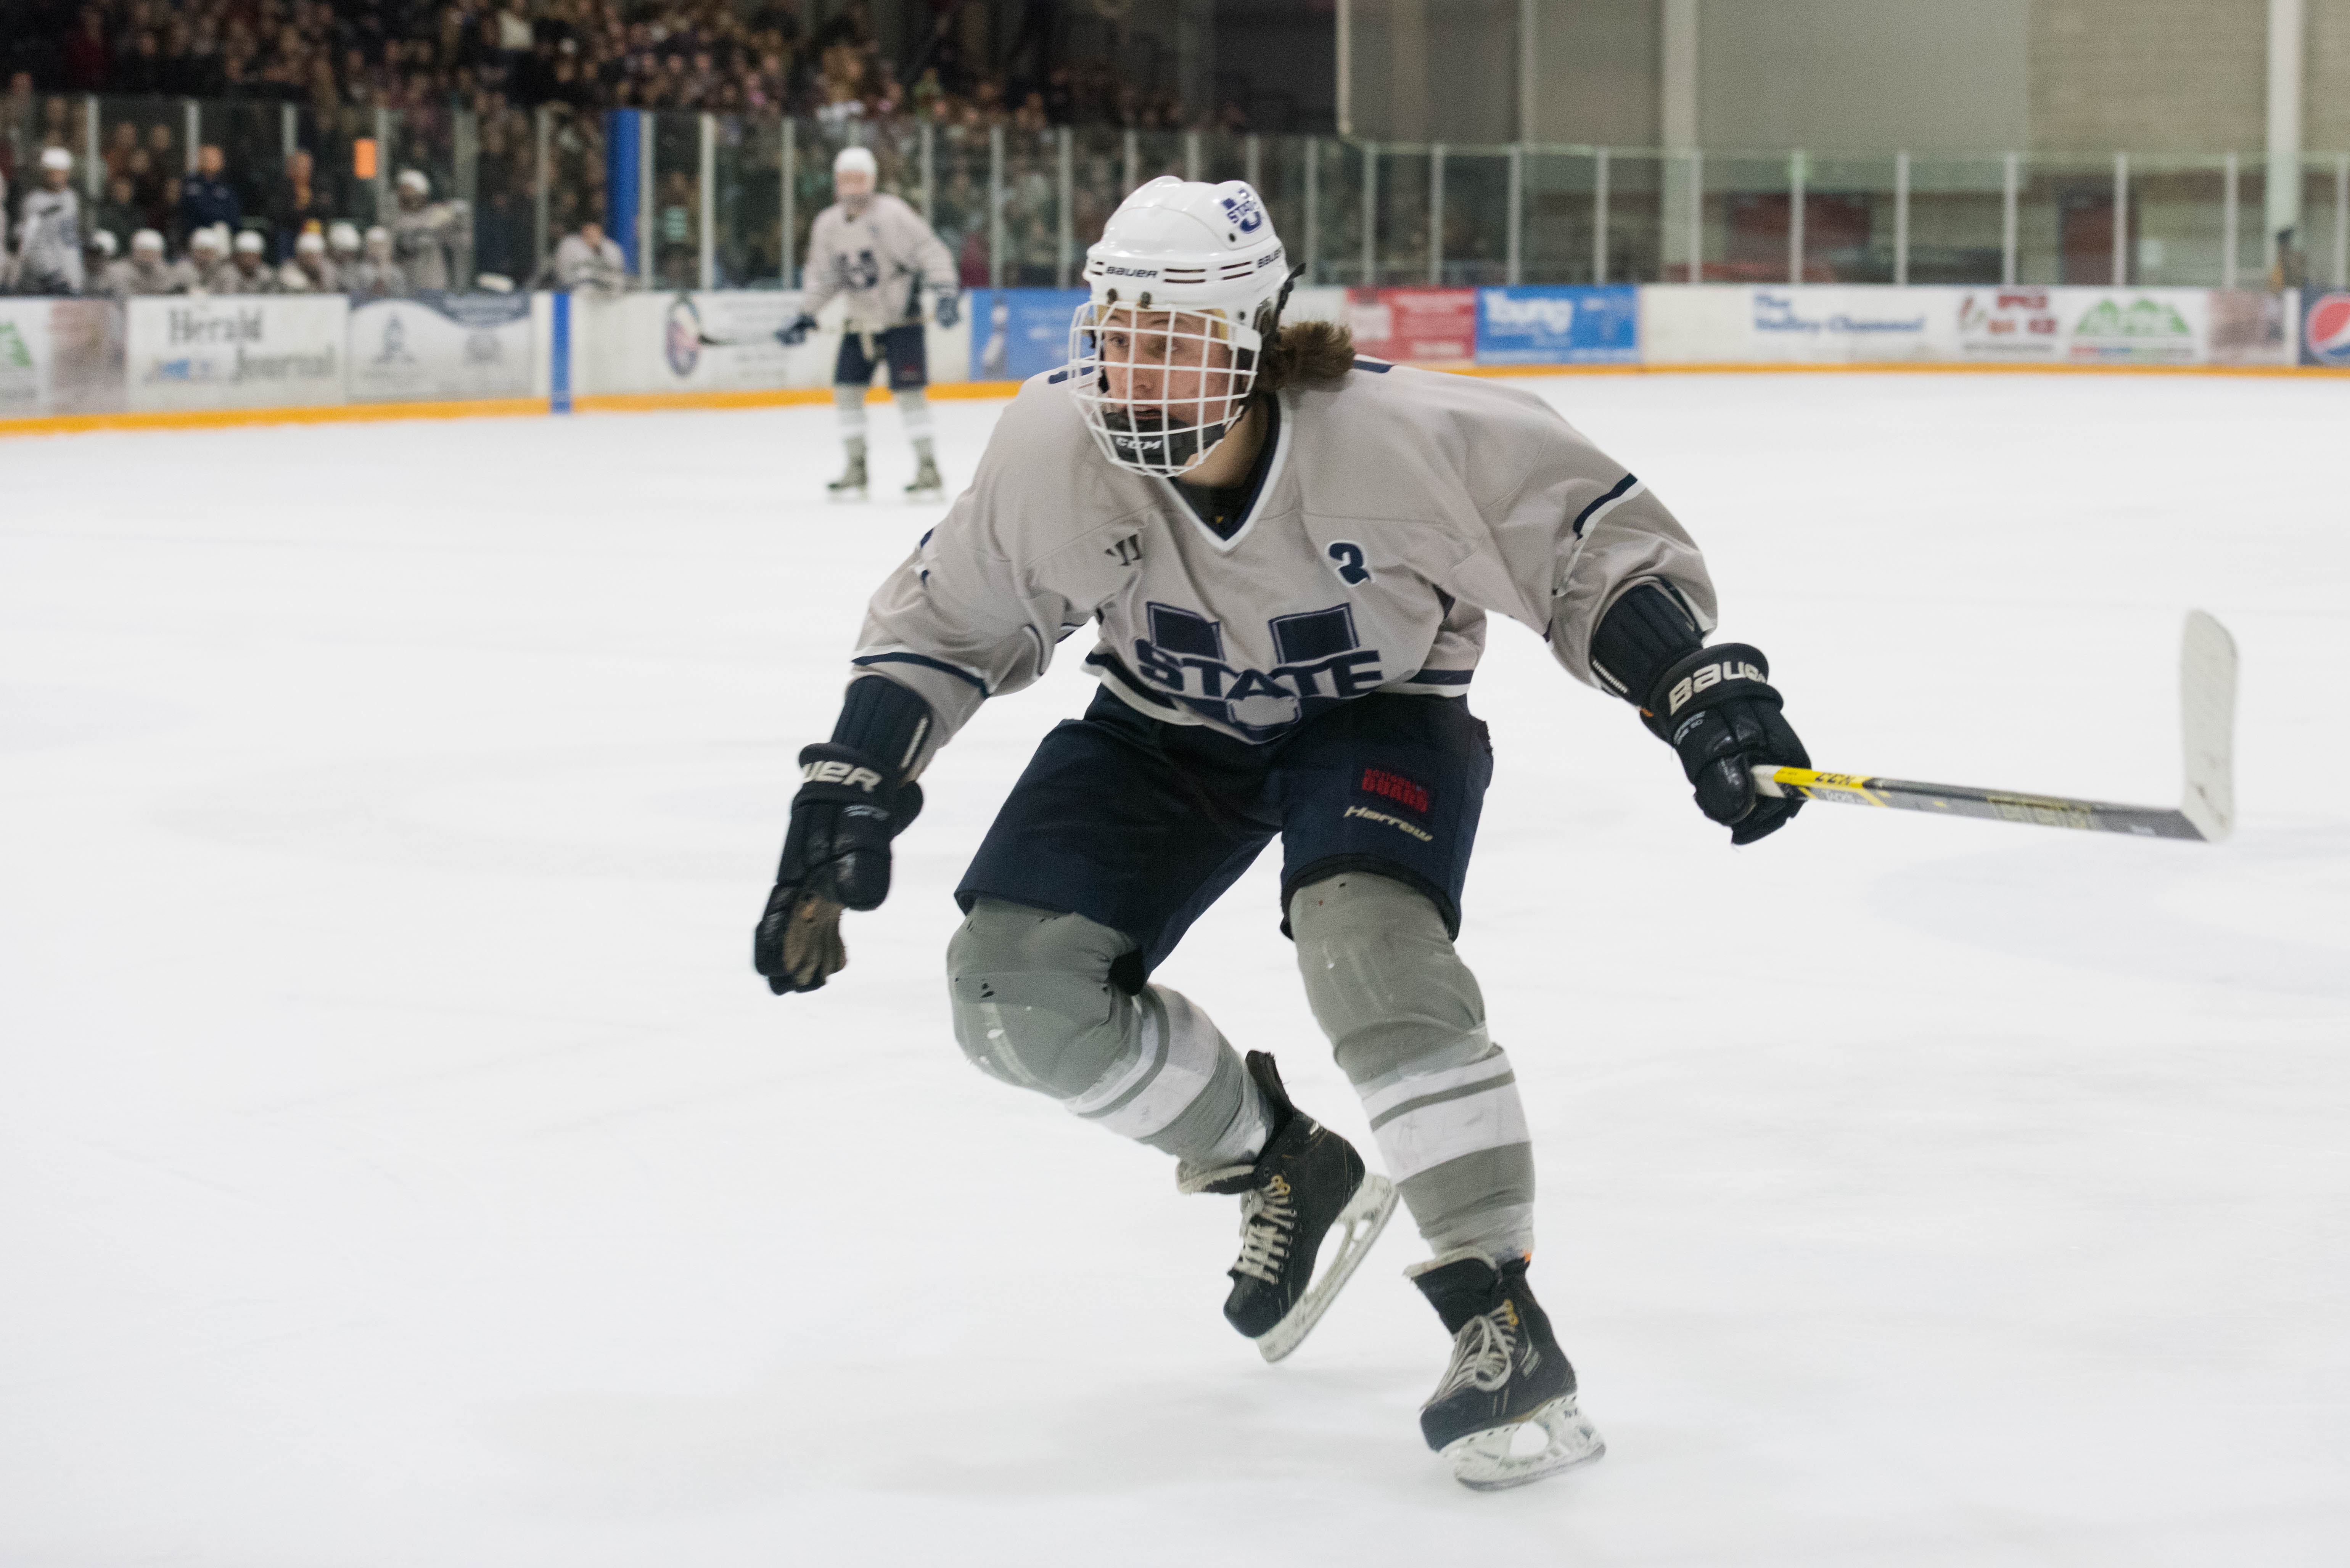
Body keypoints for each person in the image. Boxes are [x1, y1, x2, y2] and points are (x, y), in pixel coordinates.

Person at [751, 177, 1813, 1491]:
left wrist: (1692, 683)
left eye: (1173, 335)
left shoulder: (1404, 437)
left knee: (1364, 947)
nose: (1133, 368)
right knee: (1006, 996)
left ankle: (1498, 1315)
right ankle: (1276, 1159)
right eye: (1116, 330)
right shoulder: (1053, 447)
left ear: (1255, 338)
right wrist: (850, 775)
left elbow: (1585, 554)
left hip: (1373, 716)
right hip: (1161, 727)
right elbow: (946, 620)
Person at [778, 144, 959, 502]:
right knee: (846, 393)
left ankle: (928, 469)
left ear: (872, 180)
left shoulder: (893, 214)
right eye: (846, 179)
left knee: (909, 396)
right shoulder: (827, 224)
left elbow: (930, 251)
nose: (852, 186)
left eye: (859, 178)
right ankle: (855, 468)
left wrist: (946, 293)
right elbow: (824, 277)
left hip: (901, 320)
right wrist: (806, 314)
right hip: (859, 323)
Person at [10, 146, 85, 294]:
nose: (56, 176)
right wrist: (51, 273)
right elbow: (31, 242)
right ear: (45, 174)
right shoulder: (35, 201)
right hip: (49, 281)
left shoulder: (72, 198)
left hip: (73, 274)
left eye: (60, 172)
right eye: (52, 173)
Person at [389, 168, 468, 291]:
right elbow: (399, 249)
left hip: (433, 282)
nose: (404, 195)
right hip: (406, 285)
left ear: (421, 192)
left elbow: (460, 244)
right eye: (402, 191)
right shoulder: (397, 220)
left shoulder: (438, 214)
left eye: (408, 190)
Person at [175, 143, 240, 244]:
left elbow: (232, 213)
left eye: (214, 158)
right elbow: (194, 210)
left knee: (222, 229)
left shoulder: (228, 183)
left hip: (220, 232)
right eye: (207, 158)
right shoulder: (191, 182)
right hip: (195, 231)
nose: (210, 161)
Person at [550, 218, 628, 295]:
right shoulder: (569, 244)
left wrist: (598, 250)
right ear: (583, 230)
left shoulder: (611, 247)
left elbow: (618, 272)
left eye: (595, 230)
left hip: (608, 294)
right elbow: (562, 276)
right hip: (576, 292)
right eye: (589, 230)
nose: (592, 233)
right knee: (584, 279)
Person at [346, 225, 406, 298]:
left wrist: (384, 268)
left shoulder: (396, 273)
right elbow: (356, 297)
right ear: (367, 249)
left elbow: (401, 297)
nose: (379, 250)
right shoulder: (356, 271)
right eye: (375, 246)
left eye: (383, 246)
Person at [113, 227, 176, 294]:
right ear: (135, 252)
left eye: (153, 252)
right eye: (144, 252)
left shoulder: (166, 272)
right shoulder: (120, 271)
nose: (148, 257)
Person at [276, 228, 336, 292]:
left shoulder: (329, 269)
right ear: (299, 256)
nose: (313, 260)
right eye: (309, 256)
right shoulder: (288, 272)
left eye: (317, 256)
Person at [223, 228, 279, 292]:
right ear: (237, 258)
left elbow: (275, 298)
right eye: (246, 257)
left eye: (255, 257)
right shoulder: (226, 274)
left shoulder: (268, 275)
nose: (250, 261)